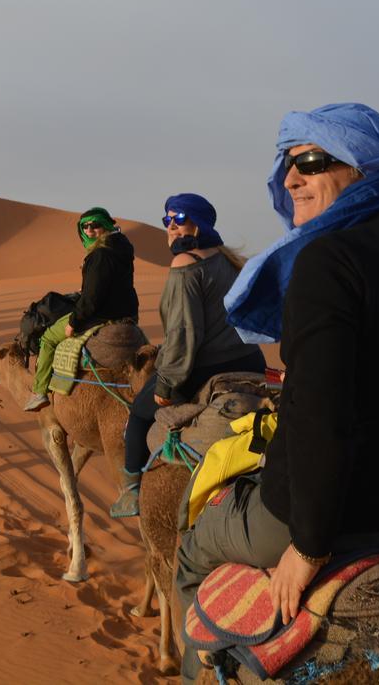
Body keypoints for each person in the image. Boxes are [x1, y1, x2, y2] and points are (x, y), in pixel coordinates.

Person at [175, 103, 379, 681]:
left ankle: (196, 667)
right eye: (287, 163)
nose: (290, 179)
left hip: (314, 519)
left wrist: (308, 548)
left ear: (361, 169)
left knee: (190, 552)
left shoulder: (325, 262)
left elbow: (319, 416)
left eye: (309, 159)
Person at [109, 194, 265, 518]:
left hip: (205, 367)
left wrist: (166, 387)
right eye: (167, 220)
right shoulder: (226, 259)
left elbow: (182, 334)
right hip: (251, 362)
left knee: (139, 414)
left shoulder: (185, 264)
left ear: (199, 223)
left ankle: (131, 493)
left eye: (180, 219)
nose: (172, 227)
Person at [24, 207, 139, 412]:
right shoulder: (122, 247)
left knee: (49, 337)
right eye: (84, 226)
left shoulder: (100, 255)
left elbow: (92, 300)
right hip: (127, 313)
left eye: (94, 225)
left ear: (105, 225)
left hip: (104, 315)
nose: (89, 230)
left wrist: (73, 322)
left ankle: (39, 391)